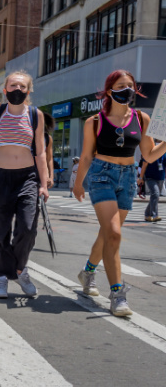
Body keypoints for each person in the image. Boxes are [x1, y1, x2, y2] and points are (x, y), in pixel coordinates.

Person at [73, 70, 166, 316]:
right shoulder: (95, 121)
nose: (126, 90)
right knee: (114, 234)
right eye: (121, 85)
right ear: (109, 90)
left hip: (127, 177)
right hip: (101, 175)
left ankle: (88, 272)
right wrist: (78, 183)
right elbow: (85, 156)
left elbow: (148, 155)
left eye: (130, 86)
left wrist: (165, 143)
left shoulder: (142, 118)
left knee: (108, 234)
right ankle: (117, 293)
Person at [0, 36, 49, 299]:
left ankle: (18, 270)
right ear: (4, 89)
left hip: (27, 178)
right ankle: (0, 277)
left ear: (29, 90)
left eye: (22, 85)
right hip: (0, 178)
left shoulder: (35, 115)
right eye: (12, 84)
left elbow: (40, 150)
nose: (17, 88)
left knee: (28, 228)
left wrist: (44, 183)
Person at [139, 145, 165, 222]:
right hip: (150, 178)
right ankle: (155, 215)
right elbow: (144, 165)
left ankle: (147, 214)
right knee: (155, 194)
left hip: (160, 178)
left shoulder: (164, 153)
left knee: (155, 196)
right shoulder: (150, 153)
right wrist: (140, 178)